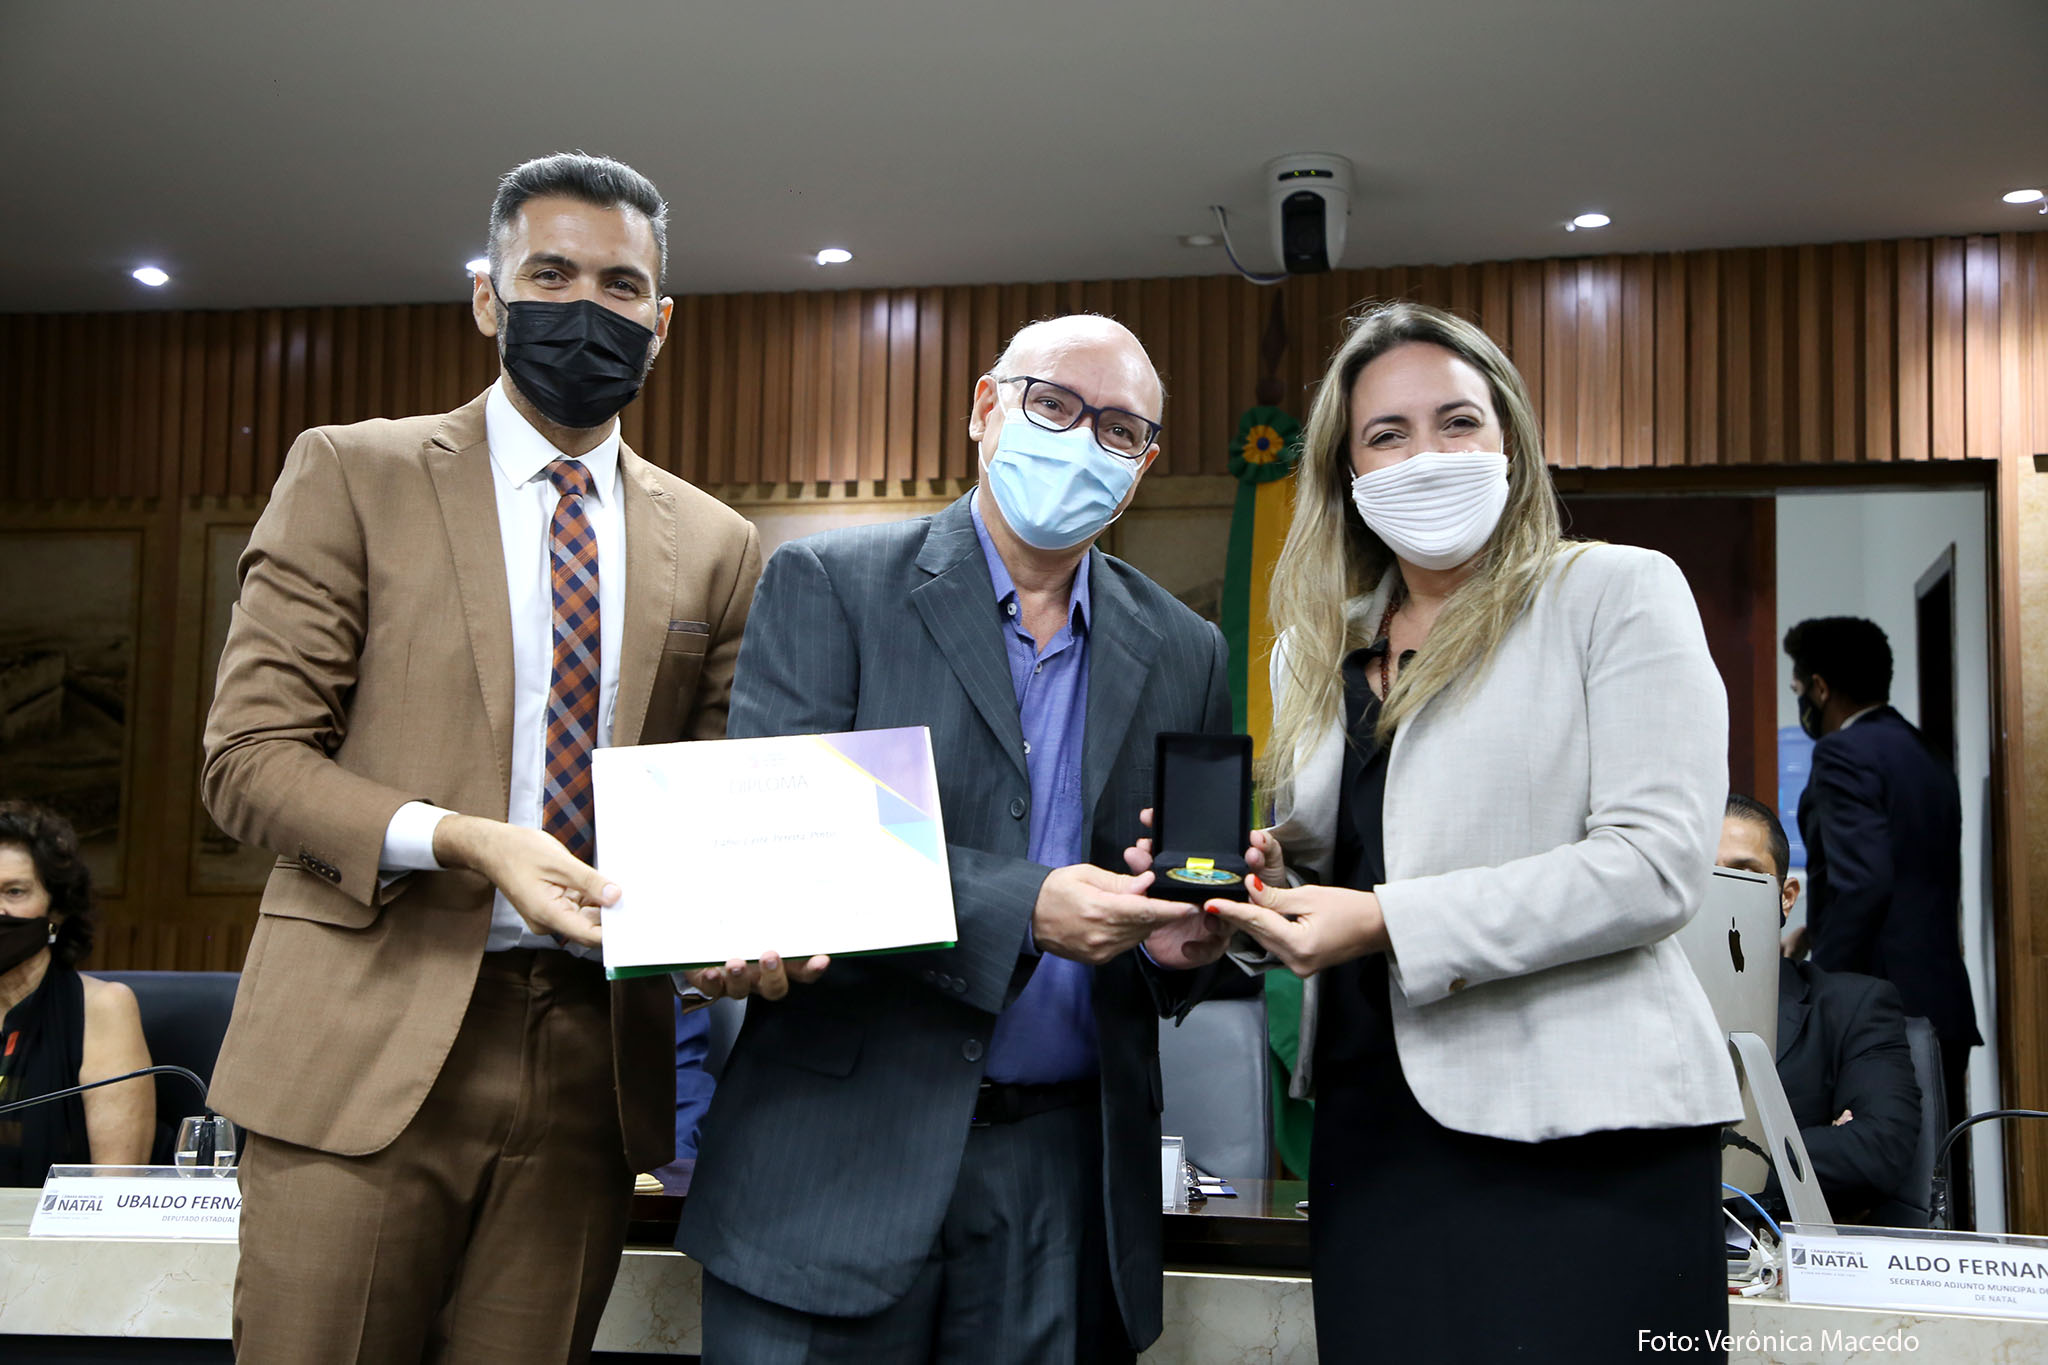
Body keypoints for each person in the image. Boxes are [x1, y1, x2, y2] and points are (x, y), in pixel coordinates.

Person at [201, 153, 770, 1364]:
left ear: (661, 321)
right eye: (549, 275)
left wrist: (734, 926)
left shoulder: (719, 544)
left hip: (589, 1058)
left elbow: (716, 797)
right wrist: (465, 840)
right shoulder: (354, 472)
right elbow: (246, 760)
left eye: (620, 286)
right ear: (487, 297)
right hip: (360, 1036)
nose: (586, 306)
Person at [681, 314, 1233, 1364]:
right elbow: (778, 851)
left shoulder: (1185, 647)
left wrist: (1181, 945)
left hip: (1062, 1180)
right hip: (832, 1170)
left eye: (1119, 430)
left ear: (1141, 468)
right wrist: (1024, 907)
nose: (1082, 441)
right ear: (986, 408)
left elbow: (1172, 917)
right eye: (1054, 405)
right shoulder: (831, 585)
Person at [1206, 301, 1741, 1364]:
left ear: (1510, 441)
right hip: (1370, 1136)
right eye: (1387, 434)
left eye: (1457, 422)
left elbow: (1652, 866)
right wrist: (1250, 887)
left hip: (1583, 1140)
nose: (1428, 457)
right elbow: (1337, 862)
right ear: (1347, 472)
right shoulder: (1313, 649)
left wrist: (1382, 921)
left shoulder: (1613, 592)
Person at [1782, 615, 1979, 1218]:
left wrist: (1826, 988)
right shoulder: (1925, 751)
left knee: (1878, 1185)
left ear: (1820, 688)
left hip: (1881, 1005)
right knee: (1937, 1187)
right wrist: (1813, 929)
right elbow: (1906, 871)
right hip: (1941, 994)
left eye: (1799, 689)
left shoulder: (1843, 752)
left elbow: (1864, 882)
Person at [1719, 794, 1921, 1222]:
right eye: (1705, 875)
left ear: (1786, 896)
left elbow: (1876, 1150)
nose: (1722, 892)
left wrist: (1695, 1165)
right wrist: (1806, 1143)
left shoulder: (1853, 1006)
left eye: (1744, 874)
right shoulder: (1639, 1007)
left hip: (1784, 1243)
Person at [0, 800, 152, 1183]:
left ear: (56, 910)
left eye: (14, 892)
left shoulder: (103, 1008)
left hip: (52, 1222)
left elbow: (115, 1185)